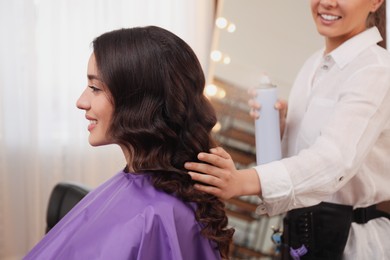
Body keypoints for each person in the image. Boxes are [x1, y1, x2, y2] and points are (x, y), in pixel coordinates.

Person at [185, 0, 390, 259]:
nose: (327, 2)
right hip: (301, 232)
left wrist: (243, 181)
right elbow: (303, 164)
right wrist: (283, 132)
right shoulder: (314, 64)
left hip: (352, 244)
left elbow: (334, 161)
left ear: (375, 2)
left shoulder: (377, 70)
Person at [24, 26, 234, 260]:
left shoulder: (159, 217)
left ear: (139, 100)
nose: (81, 101)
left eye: (95, 88)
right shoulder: (135, 188)